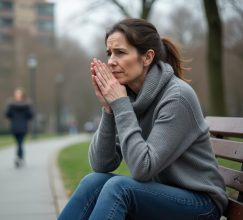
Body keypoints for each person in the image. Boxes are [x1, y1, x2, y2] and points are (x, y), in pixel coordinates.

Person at [58, 19, 228, 220]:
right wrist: (109, 109)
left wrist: (120, 105)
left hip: (201, 203)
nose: (111, 61)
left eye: (120, 52)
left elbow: (142, 169)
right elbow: (101, 165)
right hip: (161, 195)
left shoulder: (177, 97)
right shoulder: (129, 97)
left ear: (147, 57)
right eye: (109, 53)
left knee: (119, 188)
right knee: (92, 181)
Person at [5, 88, 33, 167]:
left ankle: (18, 157)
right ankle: (20, 158)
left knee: (19, 143)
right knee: (20, 143)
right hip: (21, 126)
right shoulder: (26, 104)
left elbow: (7, 114)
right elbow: (30, 115)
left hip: (17, 126)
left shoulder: (12, 104)